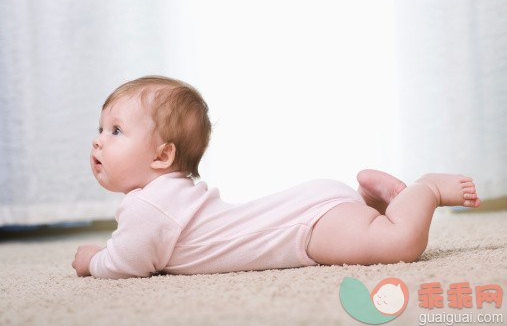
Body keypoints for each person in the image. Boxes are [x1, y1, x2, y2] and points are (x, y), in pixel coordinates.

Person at [72, 76, 481, 279]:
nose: (98, 141)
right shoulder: (167, 198)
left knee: (398, 244)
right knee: (364, 234)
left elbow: (126, 264)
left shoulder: (150, 207)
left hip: (307, 229)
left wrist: (93, 262)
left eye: (116, 131)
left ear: (163, 156)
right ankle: (368, 201)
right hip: (313, 211)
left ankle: (425, 188)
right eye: (101, 128)